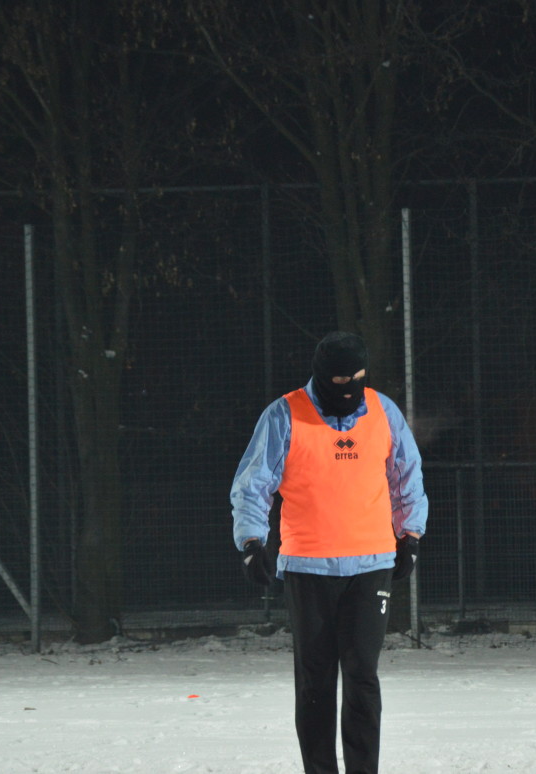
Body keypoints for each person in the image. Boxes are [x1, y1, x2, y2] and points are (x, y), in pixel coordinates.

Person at [231, 330, 428, 774]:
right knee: (315, 682)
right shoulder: (284, 414)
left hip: (371, 565)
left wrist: (410, 534)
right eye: (340, 381)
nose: (350, 389)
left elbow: (406, 476)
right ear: (321, 376)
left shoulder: (383, 411)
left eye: (358, 378)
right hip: (308, 568)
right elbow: (253, 484)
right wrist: (251, 542)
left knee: (362, 676)